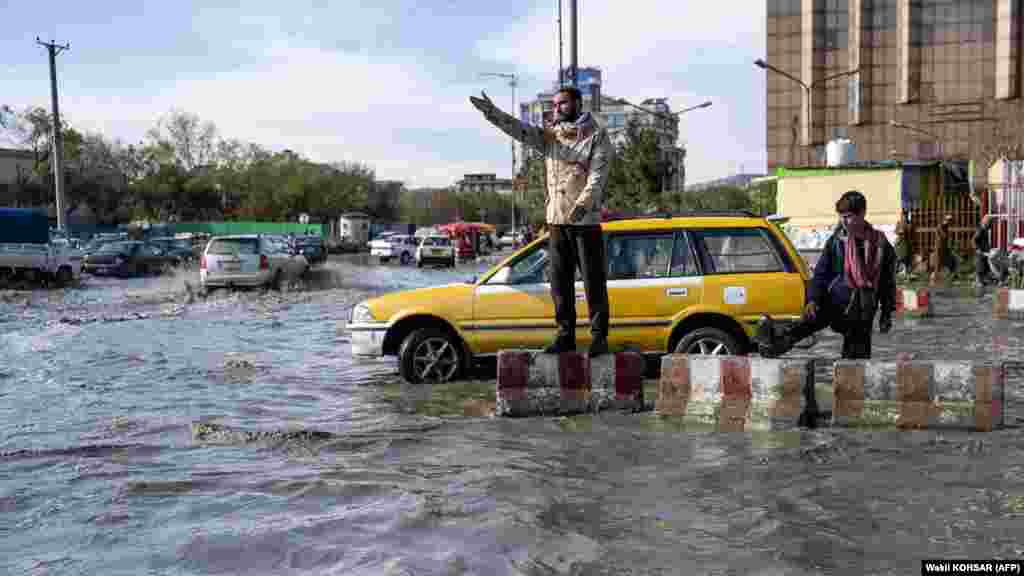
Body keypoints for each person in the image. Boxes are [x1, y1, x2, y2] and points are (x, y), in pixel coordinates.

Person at [470, 86, 613, 357]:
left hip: (585, 221)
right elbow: (518, 130)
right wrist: (492, 113)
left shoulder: (597, 136)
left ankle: (598, 337)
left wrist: (583, 204)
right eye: (554, 105)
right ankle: (565, 335)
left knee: (594, 281)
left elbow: (598, 175)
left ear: (577, 105)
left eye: (562, 104)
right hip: (556, 220)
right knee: (559, 281)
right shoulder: (550, 137)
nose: (556, 109)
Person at [756, 190, 897, 360]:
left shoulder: (881, 245)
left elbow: (887, 283)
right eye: (841, 216)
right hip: (835, 300)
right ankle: (772, 344)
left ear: (862, 214)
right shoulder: (837, 242)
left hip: (863, 309)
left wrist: (886, 314)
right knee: (807, 321)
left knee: (856, 358)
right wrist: (813, 299)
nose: (844, 222)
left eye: (849, 216)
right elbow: (821, 274)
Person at [973, 214, 994, 286]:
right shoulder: (981, 230)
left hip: (984, 251)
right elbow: (974, 240)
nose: (991, 225)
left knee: (984, 265)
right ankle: (979, 280)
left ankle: (981, 280)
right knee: (980, 265)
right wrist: (977, 249)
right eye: (990, 223)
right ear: (986, 222)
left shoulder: (984, 229)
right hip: (981, 252)